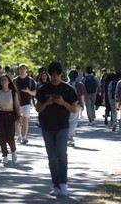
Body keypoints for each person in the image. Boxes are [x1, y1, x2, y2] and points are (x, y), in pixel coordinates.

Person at [35, 61, 78, 197]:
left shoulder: (68, 89)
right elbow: (37, 108)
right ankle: (56, 184)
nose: (54, 77)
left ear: (61, 74)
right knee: (52, 157)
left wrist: (63, 102)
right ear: (48, 75)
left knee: (61, 153)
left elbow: (73, 109)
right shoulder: (43, 89)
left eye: (57, 75)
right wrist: (47, 102)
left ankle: (63, 183)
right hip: (47, 127)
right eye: (52, 75)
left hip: (62, 126)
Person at [0, 74, 21, 164]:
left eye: (5, 80)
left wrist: (19, 117)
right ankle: (4, 155)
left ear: (9, 81)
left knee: (9, 137)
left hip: (10, 115)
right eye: (2, 80)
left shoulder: (13, 93)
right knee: (1, 137)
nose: (3, 81)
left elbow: (17, 105)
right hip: (0, 116)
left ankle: (13, 150)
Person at [13, 63, 36, 144]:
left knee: (25, 119)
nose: (22, 70)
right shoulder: (15, 80)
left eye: (24, 69)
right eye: (21, 69)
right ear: (18, 70)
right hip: (17, 103)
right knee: (18, 120)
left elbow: (34, 93)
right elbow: (11, 92)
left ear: (27, 70)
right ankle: (18, 135)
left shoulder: (30, 81)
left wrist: (28, 91)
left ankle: (24, 136)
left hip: (26, 103)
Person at [67, 69, 86, 146]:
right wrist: (82, 104)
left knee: (67, 120)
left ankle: (67, 136)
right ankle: (70, 136)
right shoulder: (80, 85)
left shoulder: (66, 84)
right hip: (76, 104)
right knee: (74, 121)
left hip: (66, 105)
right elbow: (82, 96)